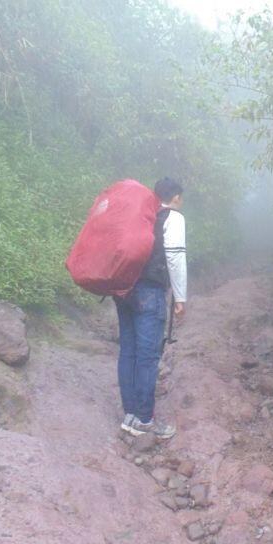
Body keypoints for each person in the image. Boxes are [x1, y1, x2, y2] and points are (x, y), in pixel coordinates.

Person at [116, 177, 186, 439]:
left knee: (128, 352)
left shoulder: (143, 215)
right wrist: (181, 297)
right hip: (149, 292)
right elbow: (175, 257)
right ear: (176, 197)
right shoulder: (173, 217)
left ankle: (130, 414)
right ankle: (145, 420)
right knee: (147, 356)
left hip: (123, 289)